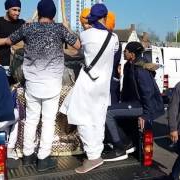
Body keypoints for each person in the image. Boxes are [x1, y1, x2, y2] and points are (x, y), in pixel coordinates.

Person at [0, 0, 81, 172]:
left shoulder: (28, 28)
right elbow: (78, 46)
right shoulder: (59, 29)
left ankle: (27, 156)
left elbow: (8, 41)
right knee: (48, 121)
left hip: (32, 84)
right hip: (52, 84)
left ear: (40, 13)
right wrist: (66, 27)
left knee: (31, 120)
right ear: (53, 14)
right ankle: (43, 159)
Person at [60, 3, 119, 173]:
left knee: (80, 117)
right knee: (97, 118)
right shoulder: (113, 38)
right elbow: (112, 52)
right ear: (105, 18)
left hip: (88, 82)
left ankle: (93, 157)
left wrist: (67, 29)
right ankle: (96, 153)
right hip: (103, 85)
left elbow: (77, 47)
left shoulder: (86, 35)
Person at [103, 41, 164, 161]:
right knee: (115, 113)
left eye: (125, 51)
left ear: (132, 54)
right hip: (133, 103)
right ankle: (128, 142)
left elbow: (147, 92)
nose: (124, 52)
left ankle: (119, 149)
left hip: (141, 105)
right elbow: (128, 88)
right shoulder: (128, 66)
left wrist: (145, 114)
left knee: (108, 113)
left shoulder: (140, 69)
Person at [0, 0, 25, 84]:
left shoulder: (22, 23)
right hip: (1, 66)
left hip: (18, 68)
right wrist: (7, 40)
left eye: (19, 10)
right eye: (14, 10)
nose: (17, 13)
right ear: (7, 9)